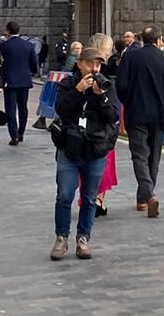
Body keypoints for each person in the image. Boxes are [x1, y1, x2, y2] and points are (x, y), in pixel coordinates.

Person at [49, 35, 122, 260]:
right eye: (90, 63)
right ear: (79, 64)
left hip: (95, 149)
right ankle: (62, 238)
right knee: (64, 195)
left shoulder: (106, 85)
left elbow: (113, 116)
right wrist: (79, 90)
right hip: (70, 148)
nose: (94, 68)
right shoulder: (68, 84)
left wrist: (101, 98)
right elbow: (61, 109)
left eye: (98, 64)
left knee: (90, 197)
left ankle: (83, 239)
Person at [117, 26, 164, 216]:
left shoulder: (130, 57)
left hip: (136, 113)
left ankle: (146, 195)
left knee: (139, 155)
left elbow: (121, 85)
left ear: (142, 39)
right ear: (159, 40)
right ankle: (145, 196)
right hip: (159, 114)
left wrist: (129, 101)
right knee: (154, 157)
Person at [0, 21, 38, 145]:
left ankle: (14, 135)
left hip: (10, 80)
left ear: (7, 31)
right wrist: (31, 72)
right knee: (23, 107)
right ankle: (21, 132)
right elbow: (33, 62)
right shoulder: (28, 45)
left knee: (10, 108)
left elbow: (1, 63)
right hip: (24, 80)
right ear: (19, 31)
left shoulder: (4, 46)